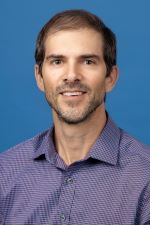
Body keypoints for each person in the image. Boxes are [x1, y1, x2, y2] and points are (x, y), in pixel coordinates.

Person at [0, 9, 150, 225]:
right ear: (39, 77)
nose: (72, 75)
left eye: (88, 61)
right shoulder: (5, 172)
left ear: (110, 77)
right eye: (57, 61)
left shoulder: (145, 178)